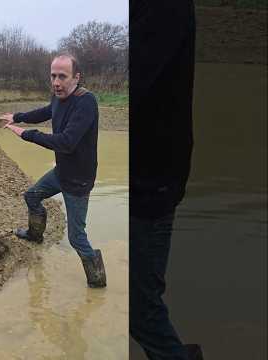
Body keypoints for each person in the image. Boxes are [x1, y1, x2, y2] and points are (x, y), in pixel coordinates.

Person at [130, 1, 203, 359]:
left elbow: (138, 80)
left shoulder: (165, 6)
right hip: (143, 175)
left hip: (151, 180)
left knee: (141, 312)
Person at [0, 54, 106, 288]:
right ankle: (35, 234)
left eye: (62, 76)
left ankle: (98, 281)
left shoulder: (86, 102)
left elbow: (66, 143)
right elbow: (46, 111)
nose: (56, 82)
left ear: (76, 77)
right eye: (53, 76)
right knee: (32, 196)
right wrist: (17, 117)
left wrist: (26, 134)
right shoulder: (58, 97)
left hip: (78, 180)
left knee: (77, 238)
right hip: (62, 172)